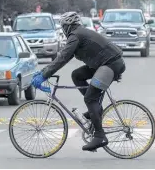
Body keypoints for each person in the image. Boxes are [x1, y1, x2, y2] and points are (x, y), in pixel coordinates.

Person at [31, 12, 125, 151]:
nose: (63, 30)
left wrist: (44, 75)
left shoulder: (75, 35)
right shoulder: (78, 34)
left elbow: (63, 57)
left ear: (67, 26)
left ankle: (100, 136)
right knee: (77, 75)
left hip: (110, 64)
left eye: (63, 27)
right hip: (103, 64)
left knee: (90, 99)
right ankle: (96, 110)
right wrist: (44, 71)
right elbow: (63, 57)